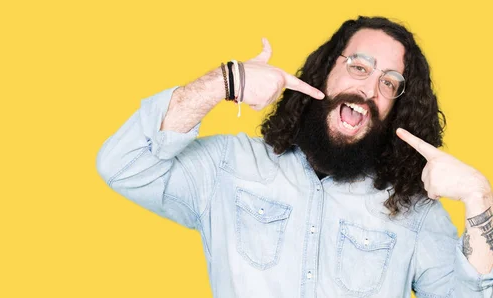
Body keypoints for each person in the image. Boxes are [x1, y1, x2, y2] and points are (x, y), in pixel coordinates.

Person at [96, 16, 493, 297]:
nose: (371, 89)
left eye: (389, 82)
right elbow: (124, 165)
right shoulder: (228, 167)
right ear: (324, 72)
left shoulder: (414, 213)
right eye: (359, 67)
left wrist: (480, 201)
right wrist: (226, 81)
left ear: (395, 110)